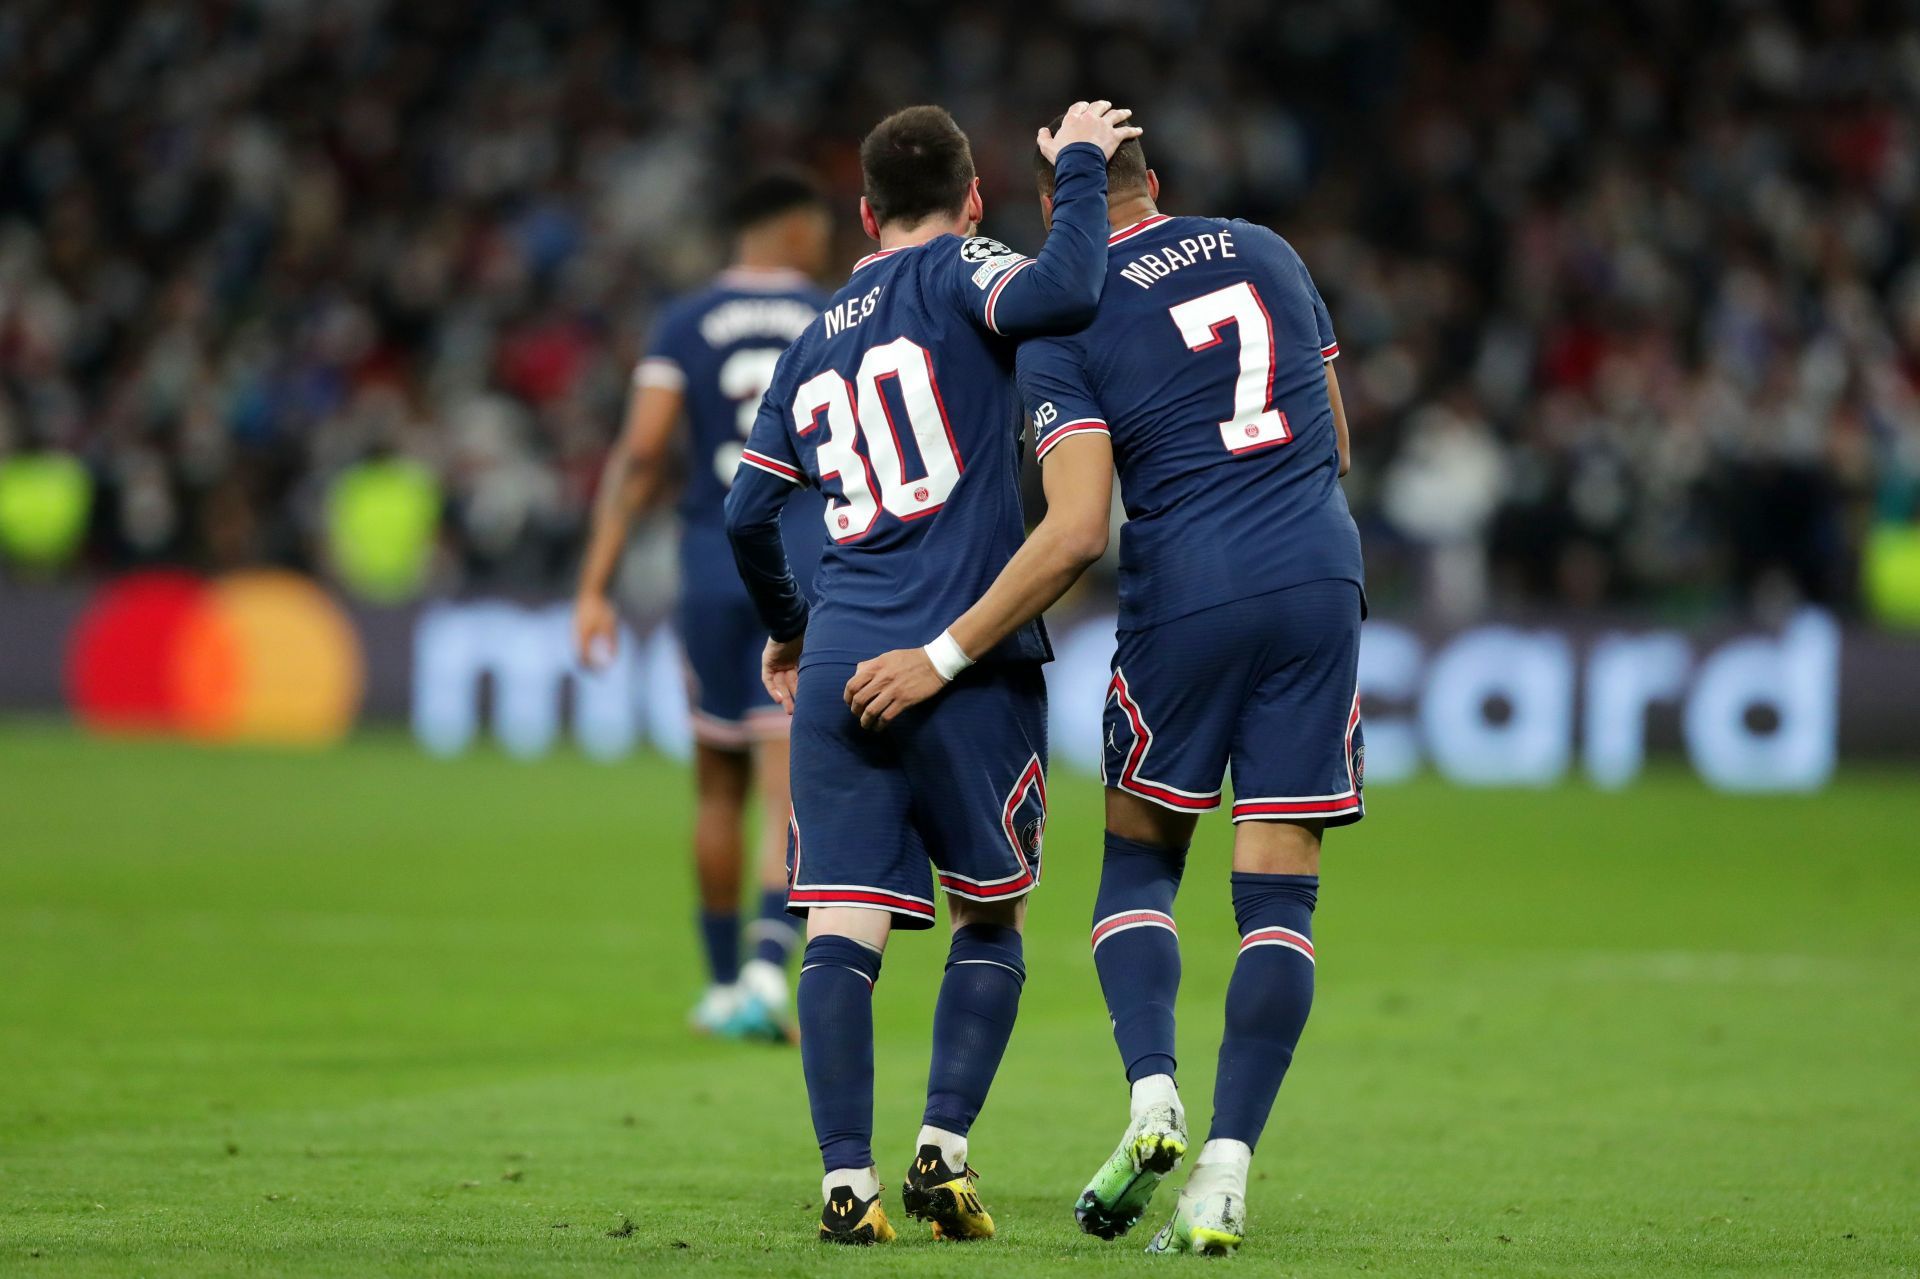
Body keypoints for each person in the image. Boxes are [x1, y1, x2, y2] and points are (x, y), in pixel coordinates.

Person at [844, 121, 1364, 1256]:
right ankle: (1226, 1171)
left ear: (1052, 207)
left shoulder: (1062, 311)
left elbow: (1078, 527)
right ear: (1159, 186)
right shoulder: (1267, 250)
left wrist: (941, 652)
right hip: (1321, 570)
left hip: (1189, 587)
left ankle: (1153, 1096)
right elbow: (1333, 435)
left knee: (1140, 859)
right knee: (1280, 893)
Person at [723, 101, 1140, 1245]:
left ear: (861, 213)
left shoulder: (812, 339)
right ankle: (942, 1153)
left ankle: (844, 1184)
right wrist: (1089, 171)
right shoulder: (965, 266)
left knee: (840, 928)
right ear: (970, 200)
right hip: (967, 649)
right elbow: (1064, 291)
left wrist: (793, 629)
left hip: (849, 645)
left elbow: (747, 511)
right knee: (992, 915)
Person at [574, 173, 831, 1042]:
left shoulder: (683, 321)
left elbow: (642, 454)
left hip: (710, 561)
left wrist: (594, 585)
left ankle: (721, 984)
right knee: (784, 781)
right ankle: (767, 969)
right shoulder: (837, 313)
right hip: (800, 562)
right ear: (793, 229)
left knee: (716, 782)